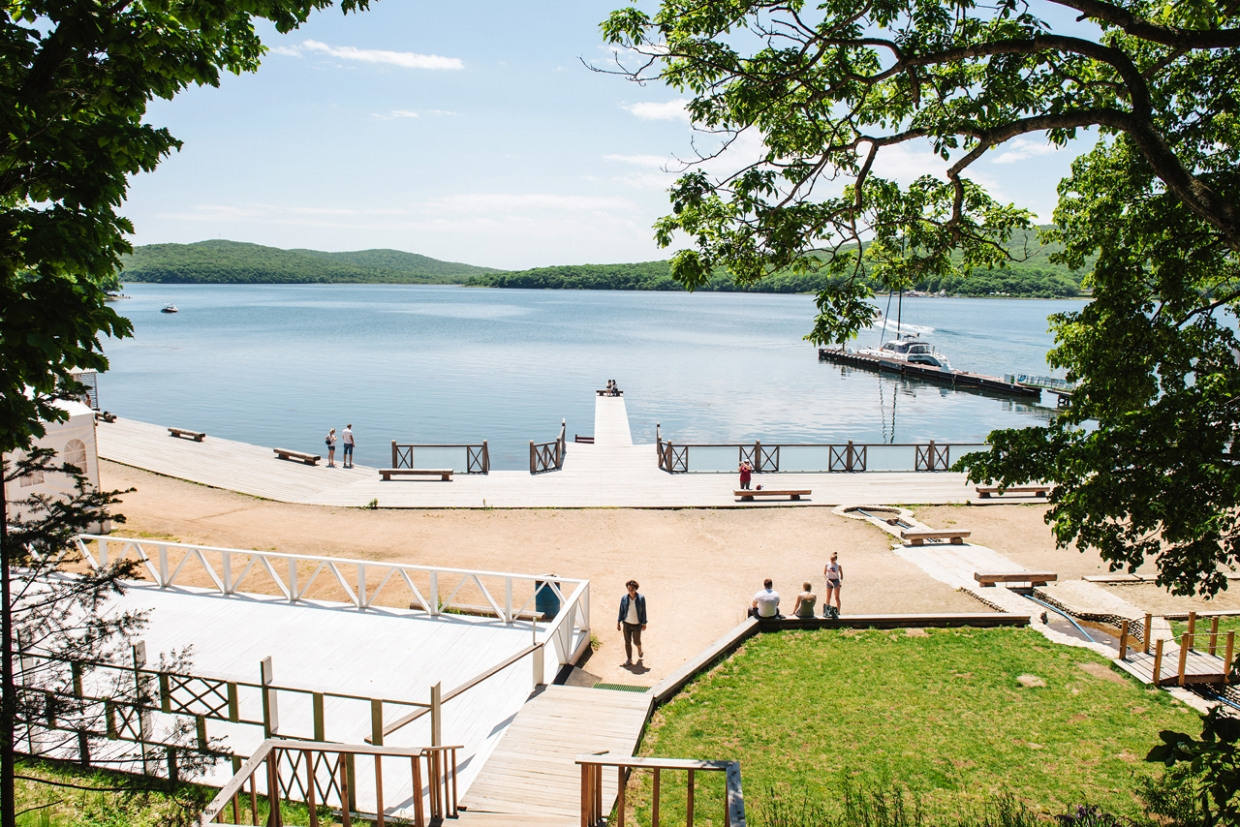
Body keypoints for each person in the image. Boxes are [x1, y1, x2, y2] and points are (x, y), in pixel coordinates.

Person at [616, 579, 647, 663]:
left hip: (637, 624)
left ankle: (639, 647)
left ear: (636, 589)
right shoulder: (624, 598)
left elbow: (643, 611)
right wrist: (618, 622)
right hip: (626, 624)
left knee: (636, 641)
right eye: (629, 589)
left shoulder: (641, 598)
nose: (631, 591)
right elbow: (621, 610)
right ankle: (629, 658)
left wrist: (644, 623)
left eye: (632, 590)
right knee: (627, 642)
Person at [824, 552, 843, 618]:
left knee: (836, 597)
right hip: (829, 580)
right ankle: (826, 612)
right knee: (828, 597)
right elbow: (824, 574)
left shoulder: (838, 565)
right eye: (831, 559)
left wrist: (840, 581)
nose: (831, 561)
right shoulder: (827, 564)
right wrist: (827, 580)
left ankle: (838, 612)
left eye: (833, 560)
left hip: (836, 581)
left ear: (835, 559)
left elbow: (841, 575)